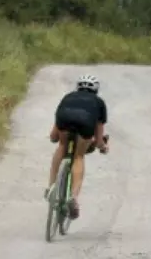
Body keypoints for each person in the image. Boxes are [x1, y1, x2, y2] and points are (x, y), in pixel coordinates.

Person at [45, 74, 109, 219]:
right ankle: (73, 197)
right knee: (78, 156)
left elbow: (53, 136)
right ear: (96, 90)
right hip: (85, 124)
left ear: (78, 87)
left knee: (62, 146)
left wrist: (57, 138)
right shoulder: (99, 102)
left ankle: (51, 187)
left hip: (64, 119)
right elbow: (99, 139)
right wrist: (102, 147)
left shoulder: (68, 97)